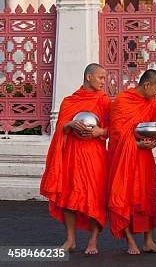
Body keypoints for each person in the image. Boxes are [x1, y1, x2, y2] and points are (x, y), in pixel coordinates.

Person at [40, 63, 111, 255]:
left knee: (95, 197)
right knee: (68, 196)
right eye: (101, 78)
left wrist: (100, 131)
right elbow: (61, 128)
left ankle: (93, 241)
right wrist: (71, 123)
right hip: (73, 154)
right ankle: (70, 239)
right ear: (89, 77)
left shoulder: (104, 101)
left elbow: (115, 127)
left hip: (95, 155)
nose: (104, 82)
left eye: (104, 78)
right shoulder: (70, 101)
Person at [107, 69, 156, 255]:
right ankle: (130, 242)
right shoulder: (123, 100)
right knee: (123, 195)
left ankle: (149, 241)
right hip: (125, 157)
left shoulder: (153, 104)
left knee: (147, 195)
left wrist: (153, 142)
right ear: (147, 85)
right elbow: (116, 132)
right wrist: (135, 144)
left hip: (144, 157)